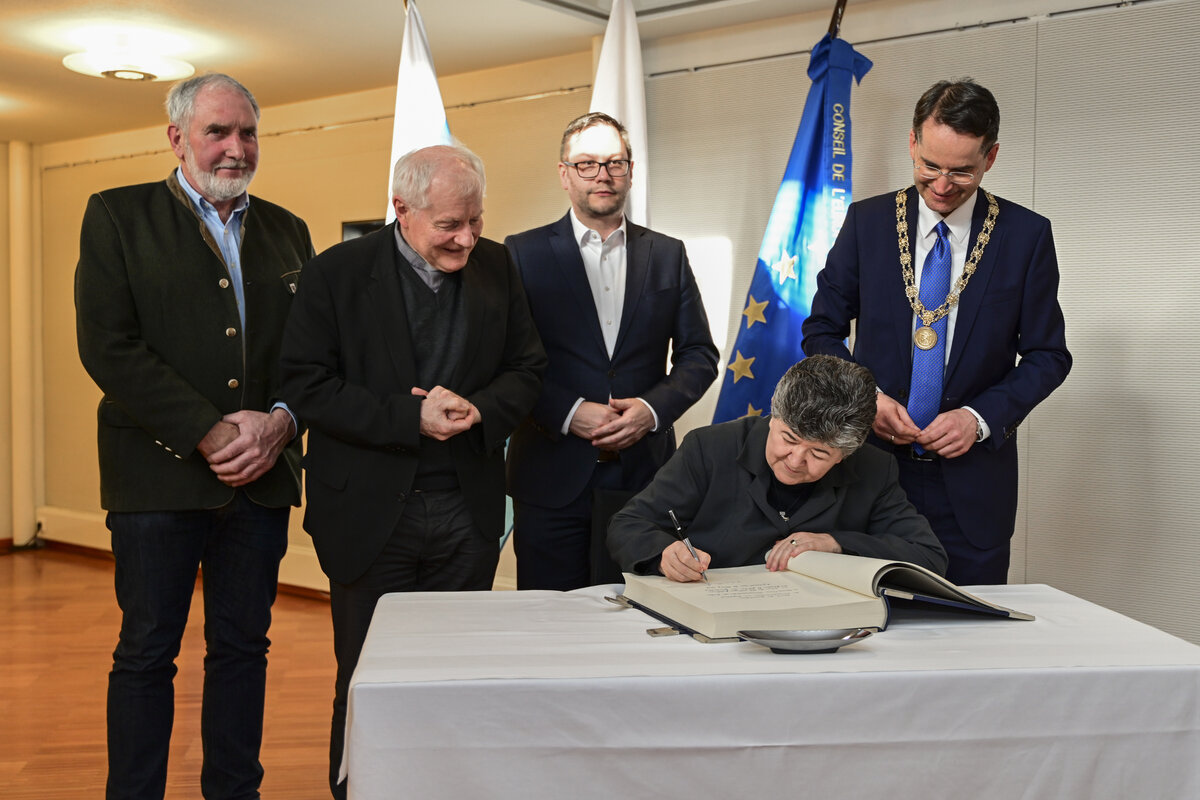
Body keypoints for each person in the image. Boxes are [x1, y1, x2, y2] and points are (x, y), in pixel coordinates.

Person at [278, 143, 545, 800]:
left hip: (469, 512)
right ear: (400, 209)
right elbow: (306, 386)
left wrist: (480, 410)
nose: (467, 239)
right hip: (371, 515)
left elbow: (527, 368)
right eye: (450, 225)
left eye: (476, 221)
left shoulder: (498, 265)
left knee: (454, 677)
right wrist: (409, 419)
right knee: (367, 679)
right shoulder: (336, 272)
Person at [74, 73, 314, 799]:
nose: (235, 147)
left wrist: (280, 422)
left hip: (263, 481)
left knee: (243, 652)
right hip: (156, 480)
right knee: (147, 654)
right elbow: (109, 348)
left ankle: (234, 791)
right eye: (219, 131)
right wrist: (207, 432)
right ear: (177, 137)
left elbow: (309, 356)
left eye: (247, 133)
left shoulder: (289, 229)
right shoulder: (117, 216)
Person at [801, 78, 1071, 586]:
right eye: (929, 167)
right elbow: (821, 330)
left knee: (968, 643)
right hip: (868, 476)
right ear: (912, 143)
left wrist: (979, 416)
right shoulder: (867, 223)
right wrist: (865, 399)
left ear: (990, 157)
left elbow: (1047, 356)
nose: (943, 185)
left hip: (973, 491)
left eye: (962, 171)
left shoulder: (1026, 236)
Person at [505, 112, 719, 590]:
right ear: (564, 174)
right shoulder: (521, 254)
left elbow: (699, 355)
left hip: (645, 477)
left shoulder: (667, 253)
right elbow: (506, 362)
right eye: (586, 164)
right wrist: (567, 412)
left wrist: (649, 409)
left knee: (638, 615)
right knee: (549, 619)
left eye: (614, 163)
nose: (602, 174)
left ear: (629, 170)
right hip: (550, 474)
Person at [607, 355, 946, 580]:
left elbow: (929, 557)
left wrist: (836, 543)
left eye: (818, 454)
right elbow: (628, 524)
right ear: (773, 417)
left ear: (847, 452)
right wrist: (664, 553)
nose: (796, 461)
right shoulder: (709, 448)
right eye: (789, 438)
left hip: (823, 629)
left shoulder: (875, 467)